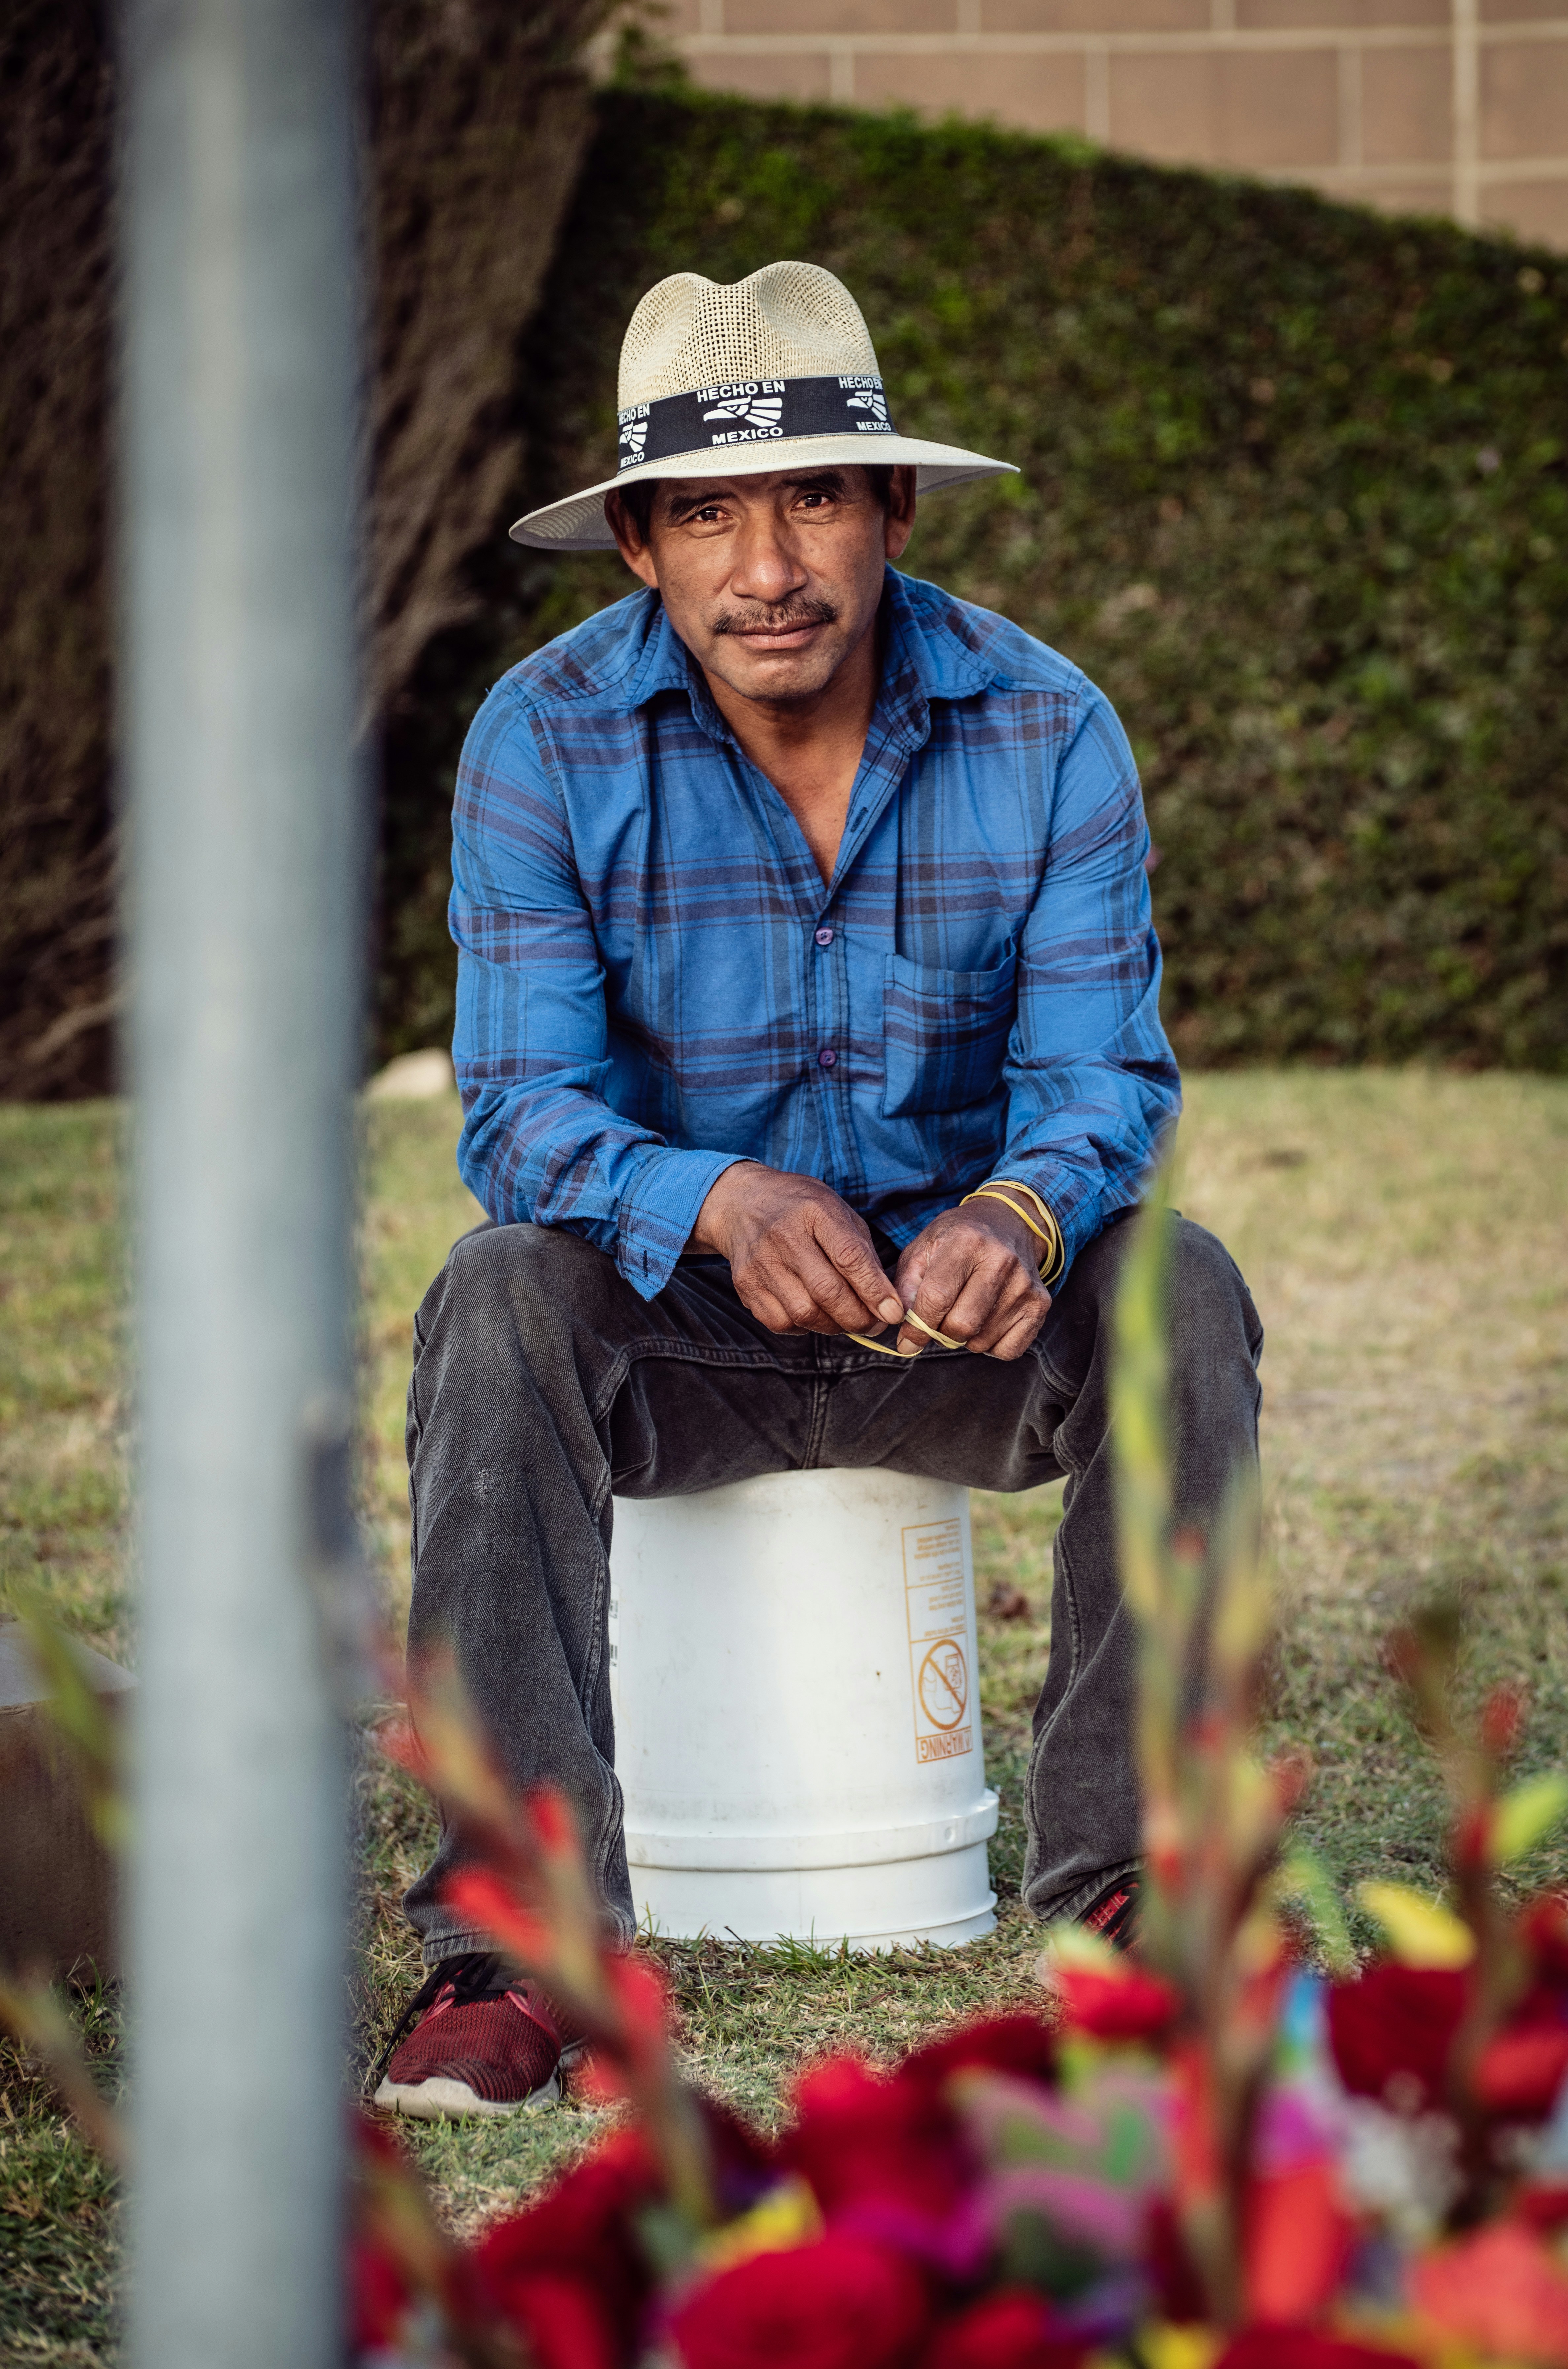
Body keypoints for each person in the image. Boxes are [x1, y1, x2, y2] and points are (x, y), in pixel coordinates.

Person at [372, 263, 1262, 2120]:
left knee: (1181, 1284)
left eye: (812, 498)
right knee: (495, 1290)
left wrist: (1026, 1210)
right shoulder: (541, 742)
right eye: (707, 511)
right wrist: (712, 1199)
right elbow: (520, 1110)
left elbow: (1107, 1076)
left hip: (965, 1320)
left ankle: (1131, 1889)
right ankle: (512, 1950)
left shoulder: (1048, 726)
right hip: (680, 1327)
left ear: (894, 511)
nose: (765, 564)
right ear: (638, 542)